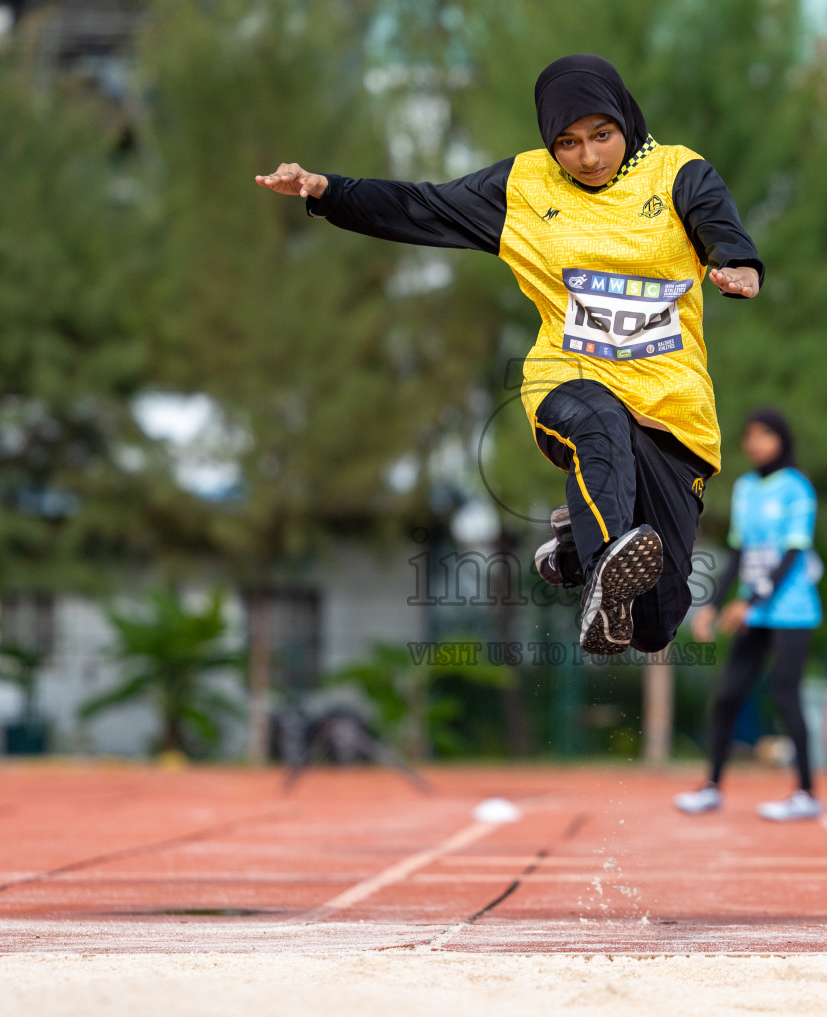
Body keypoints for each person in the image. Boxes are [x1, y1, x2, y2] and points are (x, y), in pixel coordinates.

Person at [255, 55, 763, 656]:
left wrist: (735, 263)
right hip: (568, 379)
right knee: (598, 423)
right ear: (550, 143)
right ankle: (601, 569)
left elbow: (718, 226)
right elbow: (424, 206)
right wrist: (326, 190)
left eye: (602, 136)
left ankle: (578, 540)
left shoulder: (679, 172)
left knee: (654, 627)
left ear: (625, 121)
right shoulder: (523, 187)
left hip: (671, 407)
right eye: (568, 143)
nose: (589, 157)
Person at [674, 409, 823, 822]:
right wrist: (713, 605)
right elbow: (739, 553)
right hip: (753, 612)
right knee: (726, 696)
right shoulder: (744, 489)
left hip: (791, 611)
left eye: (764, 434)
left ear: (781, 438)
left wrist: (753, 600)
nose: (755, 442)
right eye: (750, 435)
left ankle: (807, 793)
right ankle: (711, 787)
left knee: (785, 695)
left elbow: (794, 554)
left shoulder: (797, 488)